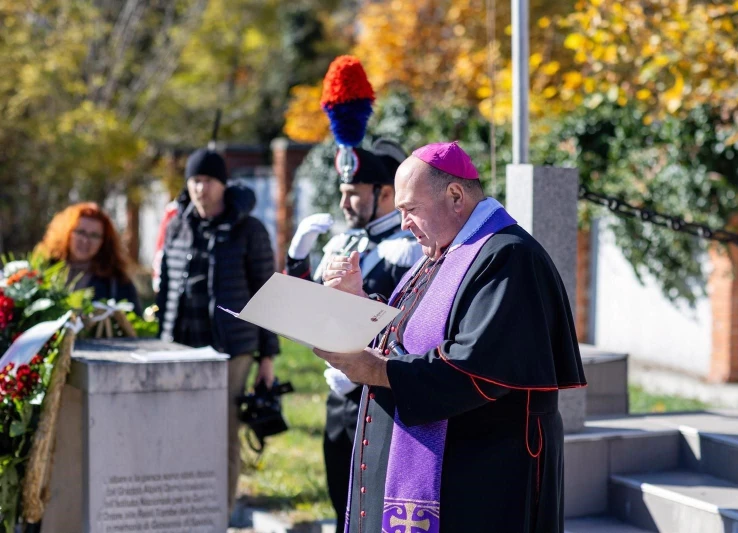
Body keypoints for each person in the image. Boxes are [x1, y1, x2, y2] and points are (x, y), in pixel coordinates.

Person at [314, 142, 587, 533]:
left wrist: (376, 371)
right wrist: (356, 302)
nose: (404, 223)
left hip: (481, 477)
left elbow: (476, 366)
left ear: (455, 196)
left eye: (410, 209)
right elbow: (406, 336)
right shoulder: (444, 253)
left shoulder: (508, 257)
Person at [285, 138, 422, 533]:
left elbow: (407, 324)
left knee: (373, 503)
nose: (344, 203)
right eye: (342, 193)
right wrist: (297, 261)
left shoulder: (408, 249)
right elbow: (307, 311)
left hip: (377, 388)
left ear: (383, 194)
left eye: (353, 193)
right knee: (338, 496)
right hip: (338, 392)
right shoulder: (343, 241)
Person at [156, 147, 280, 514]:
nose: (200, 188)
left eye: (208, 180)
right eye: (194, 180)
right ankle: (182, 509)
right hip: (179, 344)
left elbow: (266, 292)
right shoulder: (178, 224)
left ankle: (219, 514)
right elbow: (165, 285)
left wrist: (267, 358)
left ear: (223, 184)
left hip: (232, 348)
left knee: (222, 431)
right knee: (178, 428)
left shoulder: (248, 227)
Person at [35, 202, 141, 314]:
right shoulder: (43, 271)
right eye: (81, 232)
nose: (85, 241)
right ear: (68, 232)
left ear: (104, 241)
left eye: (94, 235)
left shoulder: (117, 282)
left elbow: (135, 326)